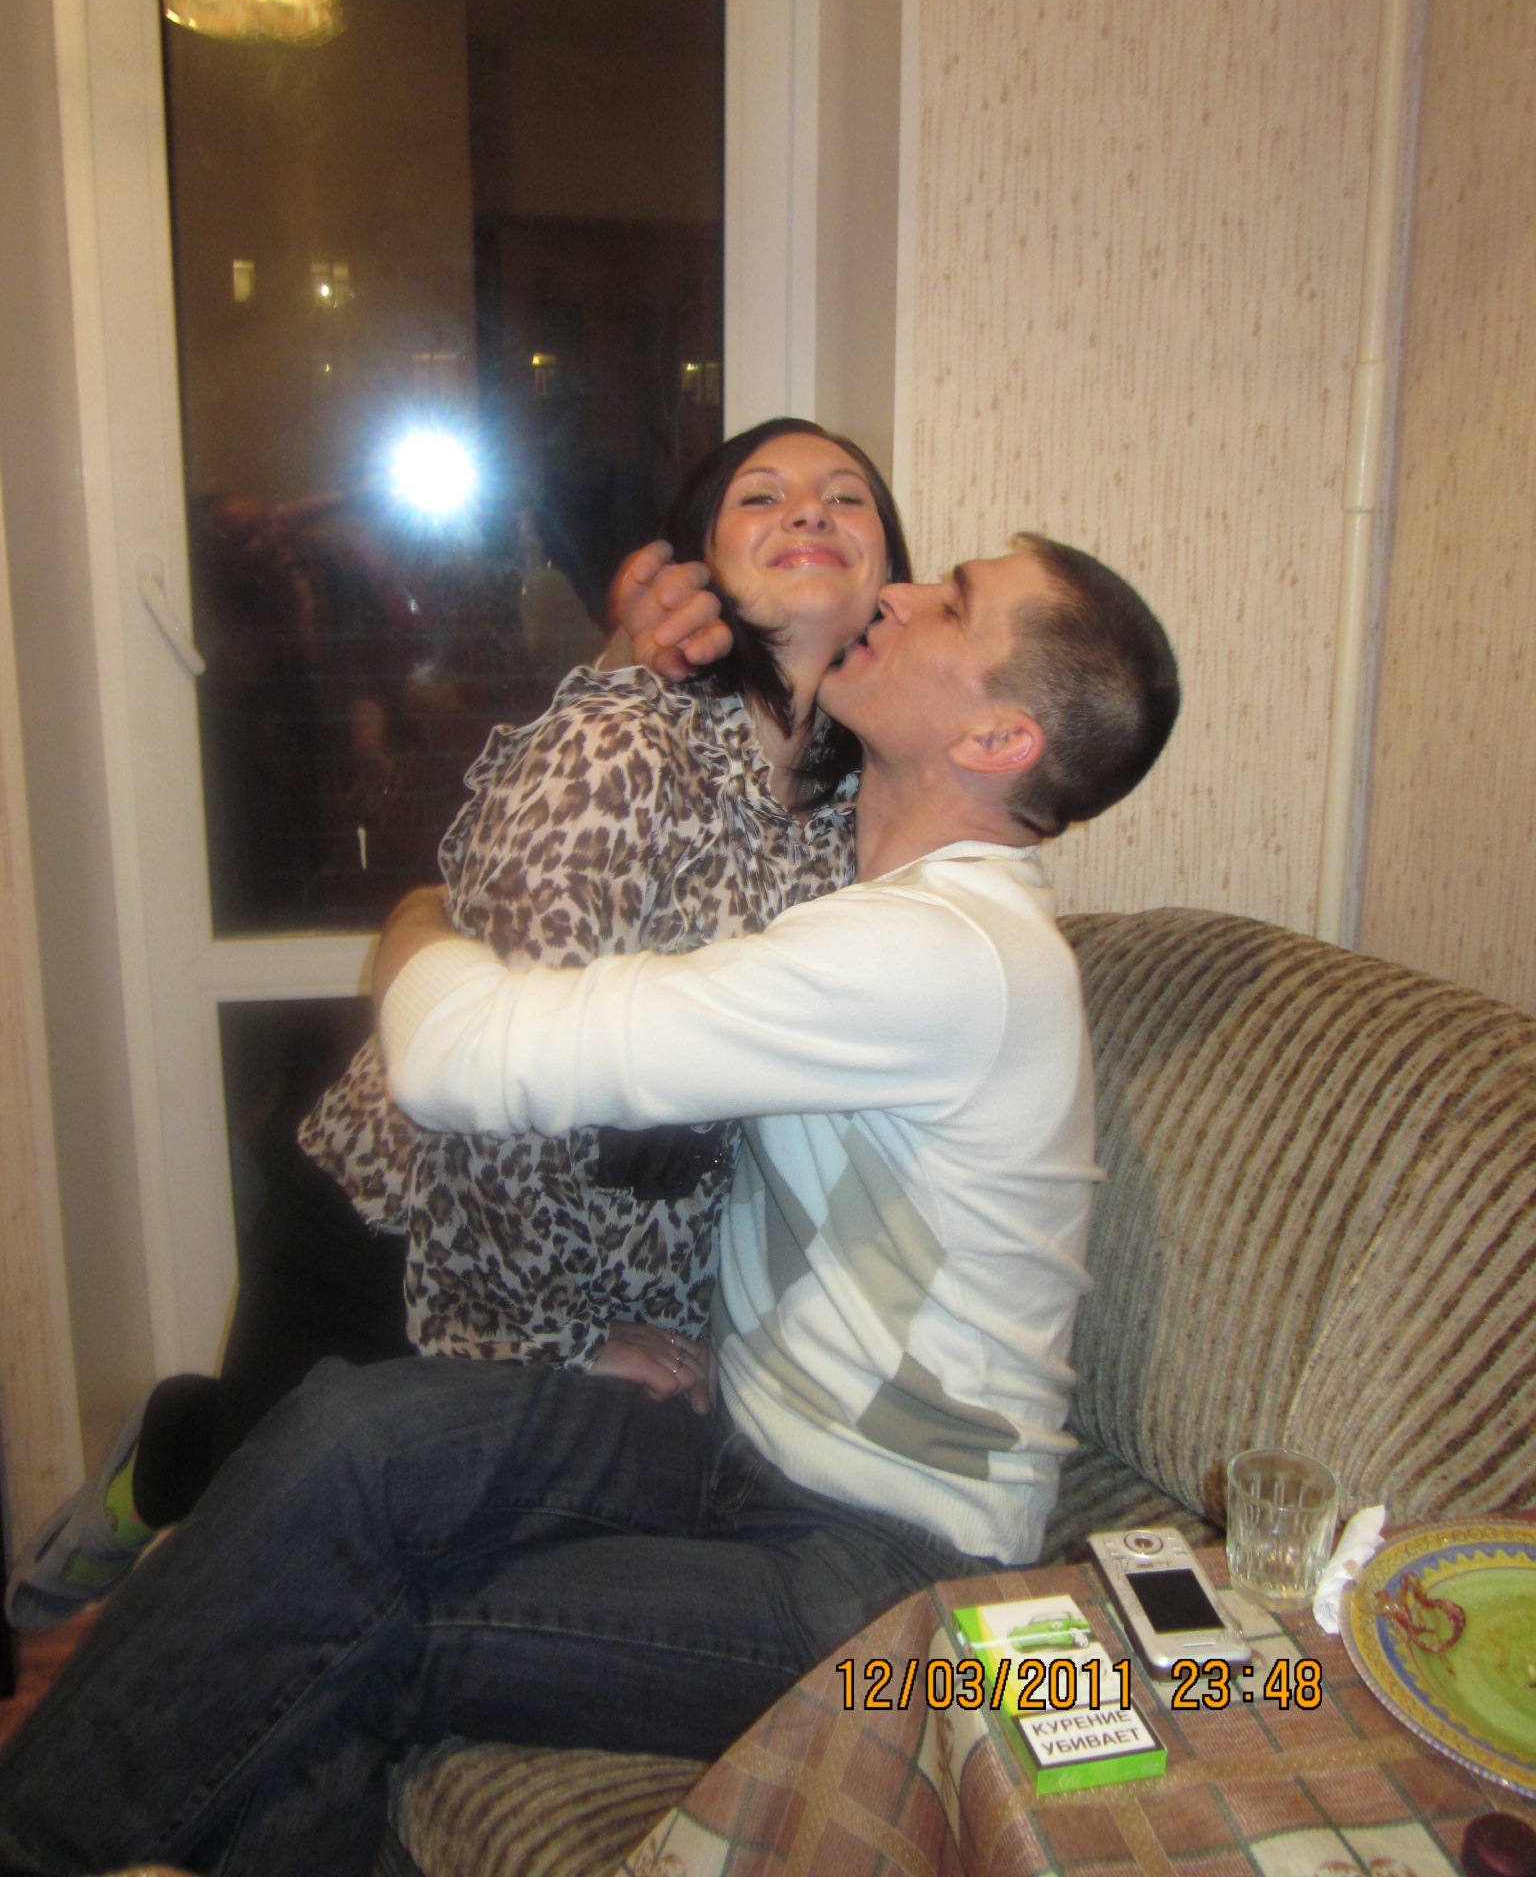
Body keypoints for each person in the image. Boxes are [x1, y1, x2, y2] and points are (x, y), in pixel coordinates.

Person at [0, 534, 1179, 1877]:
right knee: (352, 1434)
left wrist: (418, 925)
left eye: (953, 604)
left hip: (888, 1577)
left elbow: (465, 1060)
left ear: (1000, 738)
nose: (903, 593)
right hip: (740, 1452)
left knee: (369, 1627)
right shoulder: (871, 907)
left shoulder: (946, 958)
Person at [5, 420, 909, 1631]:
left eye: (847, 496)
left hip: (608, 1275)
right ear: (696, 571)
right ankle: (171, 1452)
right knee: (255, 1562)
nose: (809, 510)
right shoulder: (622, 748)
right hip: (404, 1235)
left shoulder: (858, 816)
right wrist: (559, 1337)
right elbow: (495, 1092)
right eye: (762, 495)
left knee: (383, 1599)